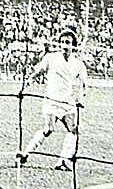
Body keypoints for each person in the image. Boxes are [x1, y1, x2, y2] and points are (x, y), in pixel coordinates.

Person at [16, 28, 87, 171]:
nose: (64, 45)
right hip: (51, 101)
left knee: (74, 130)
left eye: (68, 42)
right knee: (48, 129)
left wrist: (80, 97)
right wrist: (27, 82)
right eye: (62, 42)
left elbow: (84, 84)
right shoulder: (51, 58)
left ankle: (62, 161)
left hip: (67, 103)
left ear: (73, 45)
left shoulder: (78, 64)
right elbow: (38, 72)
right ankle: (25, 154)